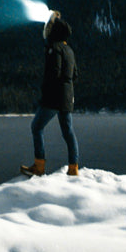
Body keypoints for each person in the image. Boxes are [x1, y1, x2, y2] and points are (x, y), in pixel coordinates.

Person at [21, 10, 79, 177]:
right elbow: (75, 75)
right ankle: (73, 168)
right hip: (68, 97)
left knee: (36, 127)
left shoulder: (54, 48)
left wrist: (46, 92)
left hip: (54, 97)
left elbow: (54, 72)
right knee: (68, 132)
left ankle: (39, 166)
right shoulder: (70, 50)